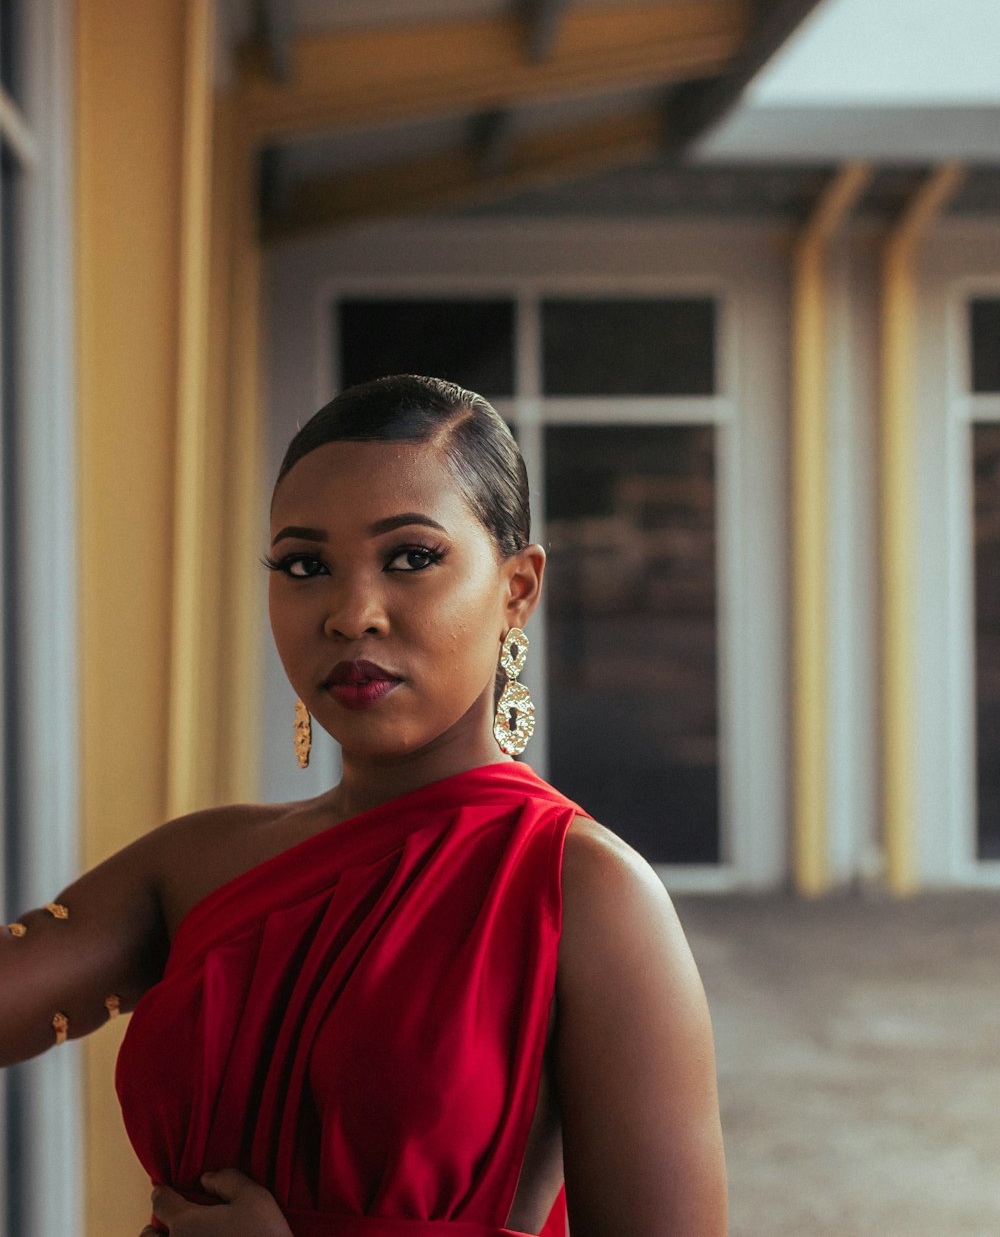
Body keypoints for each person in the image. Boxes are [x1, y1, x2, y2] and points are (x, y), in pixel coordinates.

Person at [0, 374, 727, 1237]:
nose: (351, 615)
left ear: (518, 589)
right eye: (305, 566)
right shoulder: (194, 863)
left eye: (411, 558)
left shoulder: (586, 893)